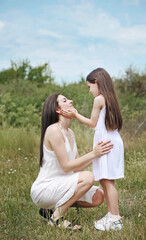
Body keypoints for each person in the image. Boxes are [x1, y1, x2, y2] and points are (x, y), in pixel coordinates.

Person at [30, 92, 113, 230]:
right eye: (65, 100)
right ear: (58, 110)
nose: (71, 101)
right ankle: (57, 216)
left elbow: (77, 167)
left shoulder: (70, 132)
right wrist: (93, 153)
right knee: (88, 177)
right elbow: (67, 167)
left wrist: (100, 155)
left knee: (98, 196)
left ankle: (49, 209)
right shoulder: (53, 130)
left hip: (60, 186)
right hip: (45, 188)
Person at [61, 68, 124, 231]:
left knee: (108, 180)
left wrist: (75, 114)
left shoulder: (99, 99)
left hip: (107, 143)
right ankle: (111, 215)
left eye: (89, 86)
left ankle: (115, 219)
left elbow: (93, 123)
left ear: (96, 82)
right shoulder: (110, 97)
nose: (89, 90)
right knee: (104, 179)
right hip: (110, 141)